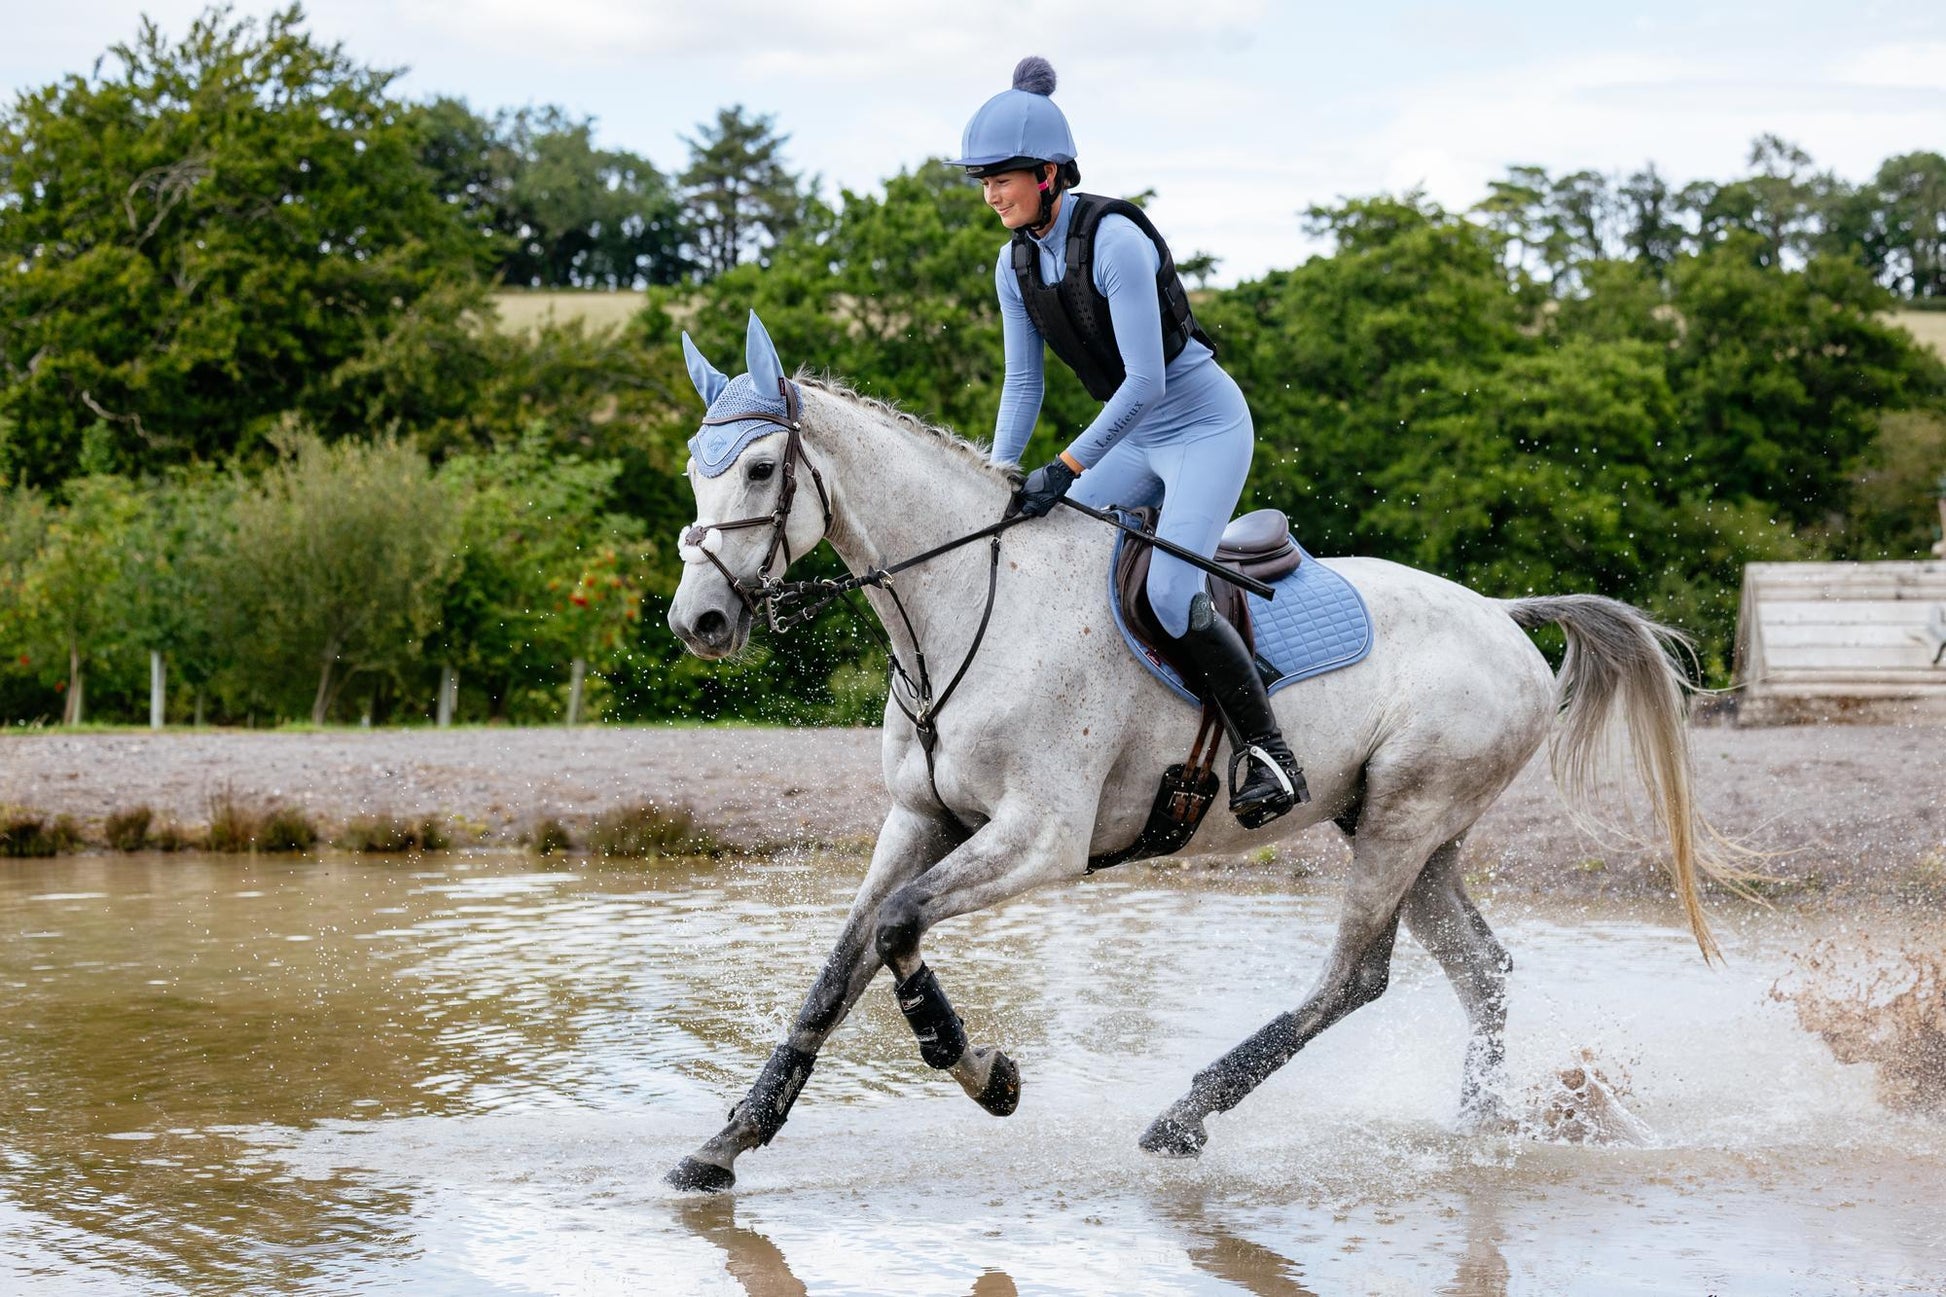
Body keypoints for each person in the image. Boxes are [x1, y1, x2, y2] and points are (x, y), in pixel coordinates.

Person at [952, 56, 1309, 828]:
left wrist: (1068, 465)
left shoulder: (1114, 241)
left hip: (1203, 428)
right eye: (981, 179)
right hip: (1138, 439)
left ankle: (1270, 749)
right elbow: (1023, 387)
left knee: (1169, 591)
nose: (989, 192)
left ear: (1048, 173)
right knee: (1054, 552)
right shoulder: (1013, 264)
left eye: (1000, 177)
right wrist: (1000, 478)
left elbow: (1146, 383)